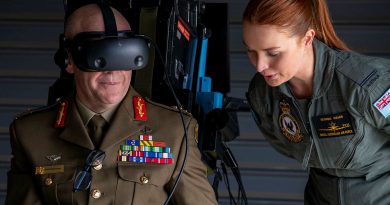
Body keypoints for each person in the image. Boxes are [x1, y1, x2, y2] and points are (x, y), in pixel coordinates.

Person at [6, 3, 217, 205]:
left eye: (124, 56)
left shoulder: (175, 131)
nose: (113, 71)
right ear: (69, 60)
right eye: (99, 57)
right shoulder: (30, 133)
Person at [242, 0, 390, 204]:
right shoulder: (263, 94)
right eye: (251, 51)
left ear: (307, 38)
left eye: (273, 53)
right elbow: (284, 145)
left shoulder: (365, 86)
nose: (259, 66)